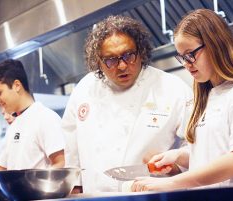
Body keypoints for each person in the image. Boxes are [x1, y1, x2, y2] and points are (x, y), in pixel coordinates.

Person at [131, 9, 233, 192]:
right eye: (181, 57)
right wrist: (177, 155)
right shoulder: (205, 97)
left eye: (190, 54)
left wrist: (170, 184)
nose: (187, 64)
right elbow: (213, 153)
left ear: (215, 45)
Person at [62, 15, 193, 193]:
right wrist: (75, 188)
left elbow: (196, 146)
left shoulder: (172, 88)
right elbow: (71, 147)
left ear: (141, 52)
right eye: (110, 60)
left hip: (152, 196)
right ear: (98, 62)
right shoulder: (85, 89)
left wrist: (176, 168)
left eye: (129, 55)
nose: (122, 66)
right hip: (96, 196)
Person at [0, 59, 65, 170]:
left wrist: (36, 185)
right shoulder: (14, 125)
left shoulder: (46, 118)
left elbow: (61, 163)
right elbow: (1, 167)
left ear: (17, 85)